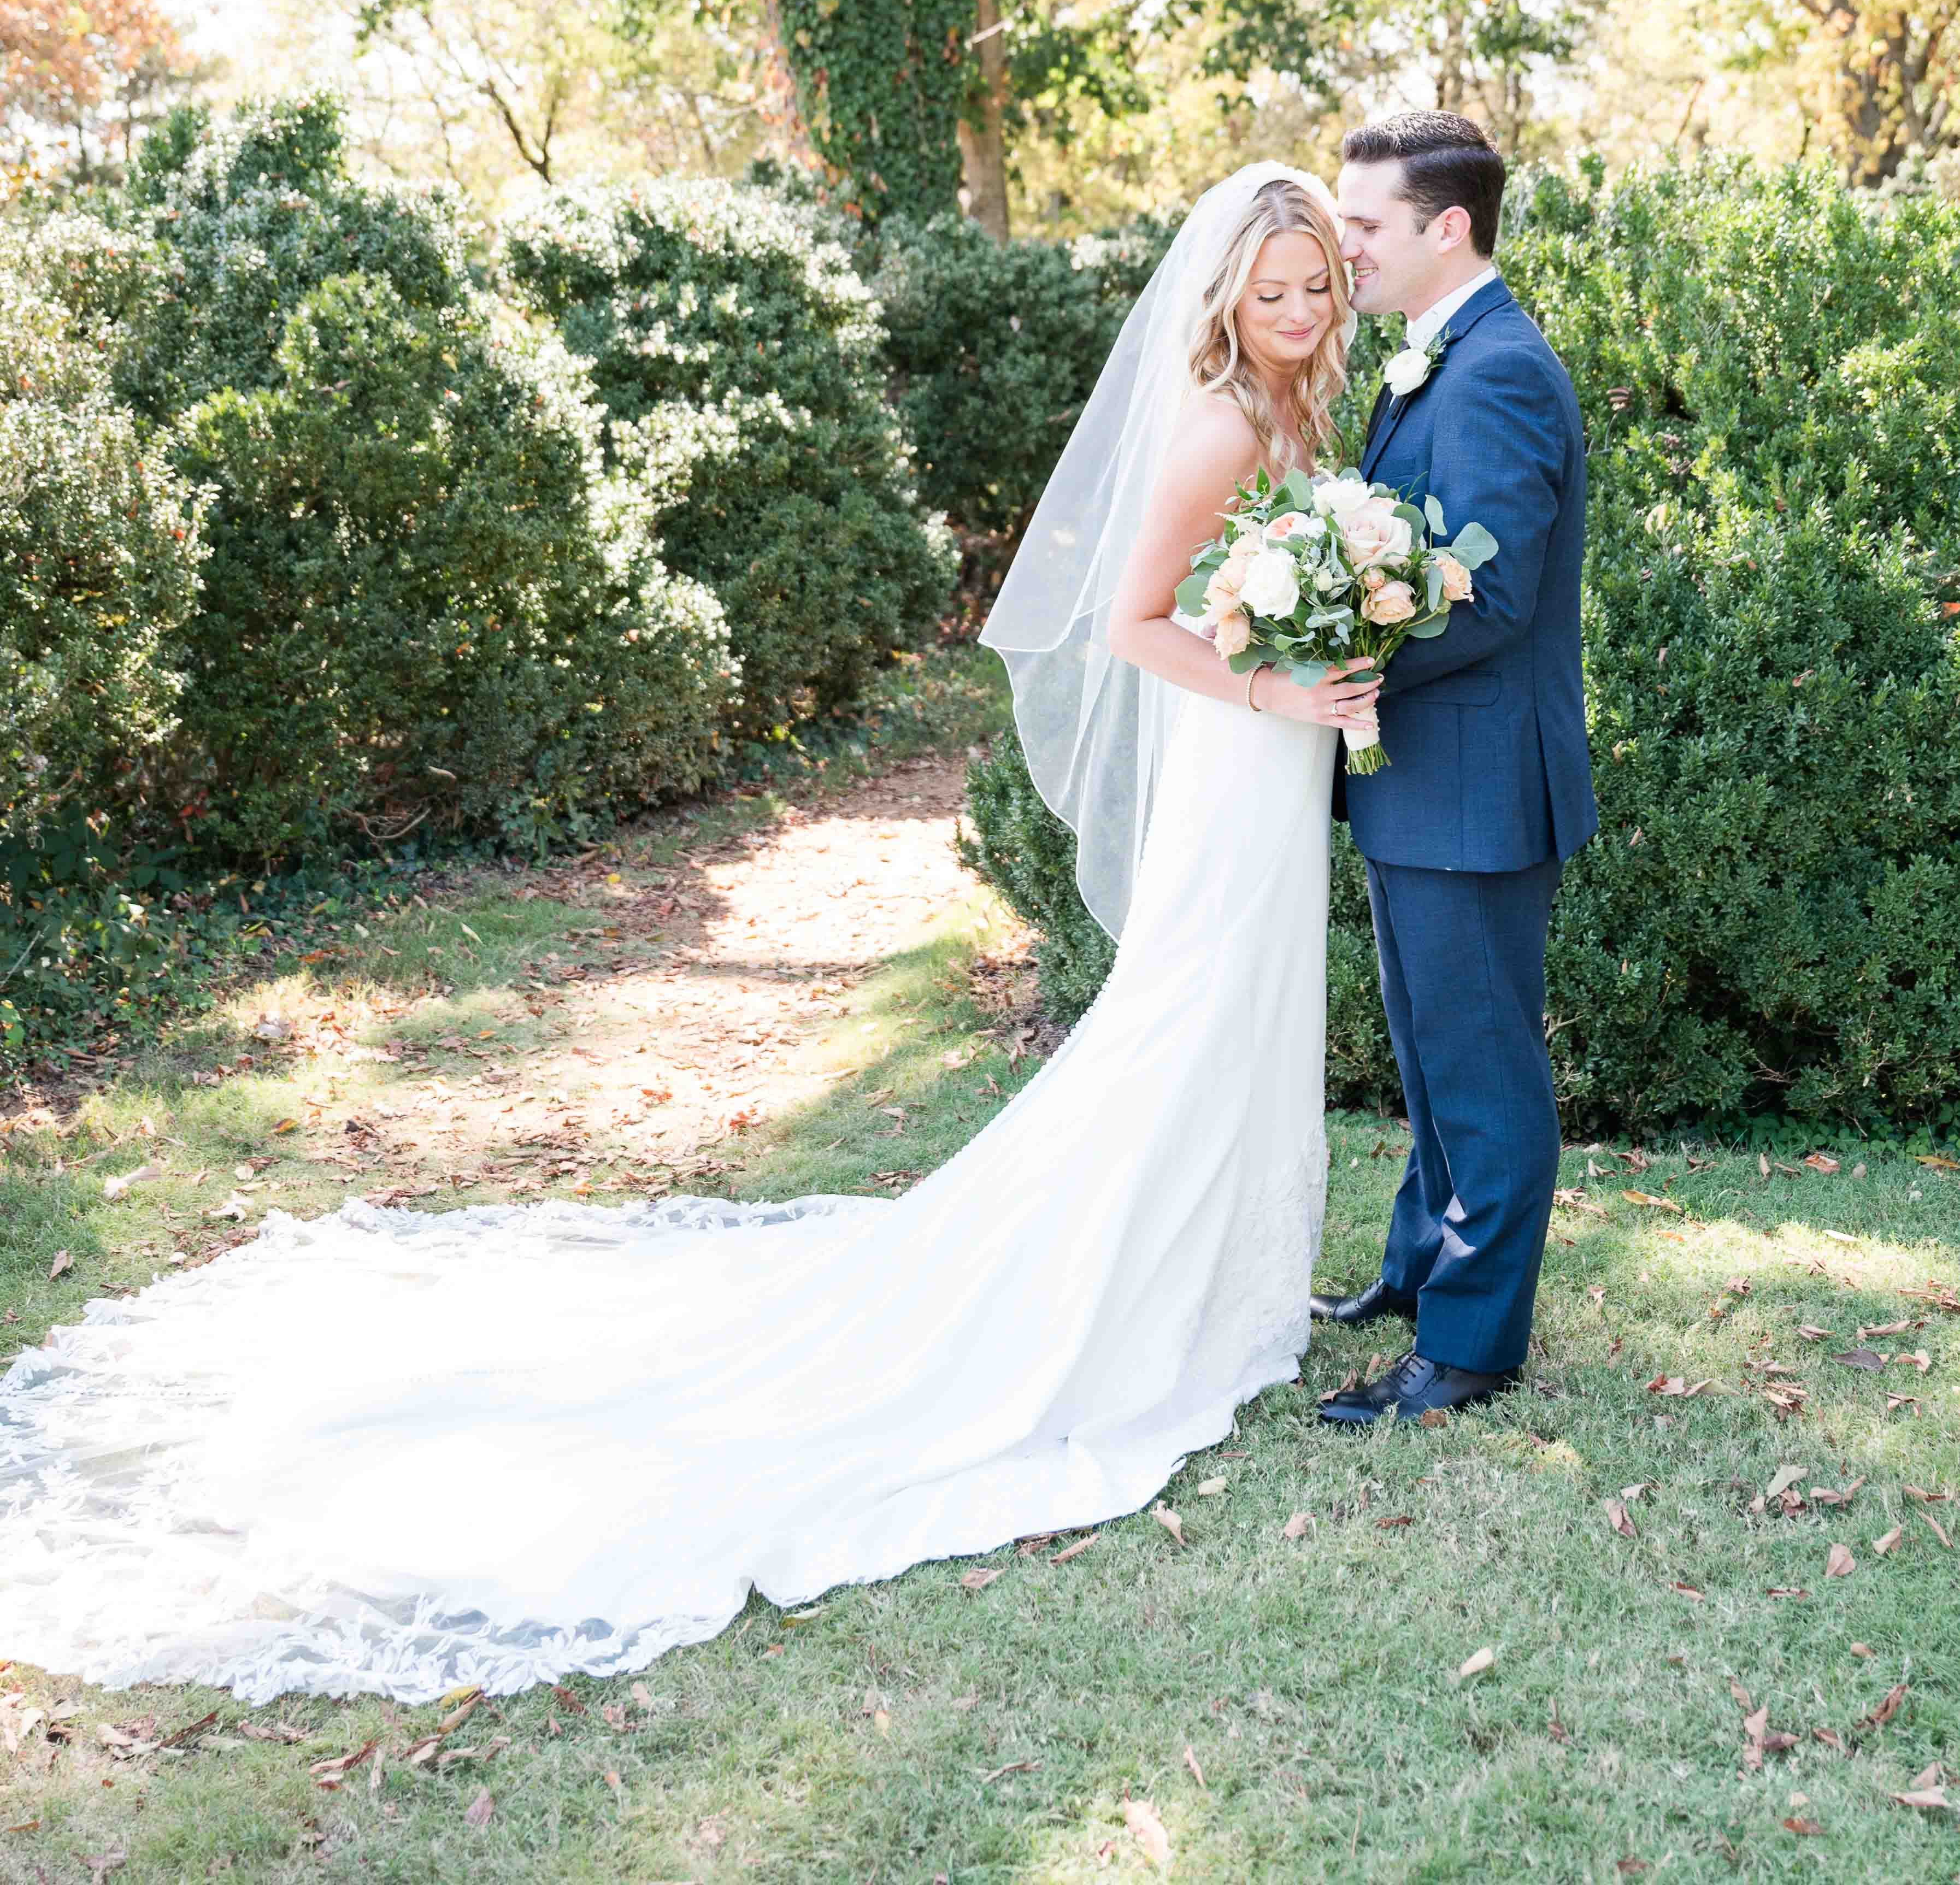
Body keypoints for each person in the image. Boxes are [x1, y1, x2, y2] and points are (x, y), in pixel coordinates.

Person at [0, 162, 1374, 1706]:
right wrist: (1275, 684)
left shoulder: (1298, 410)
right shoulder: (1215, 422)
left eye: (1314, 286)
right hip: (1238, 754)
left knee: (1243, 1010)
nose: (1295, 310)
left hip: (1270, 758)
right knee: (1185, 1015)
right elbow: (1130, 623)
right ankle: (1124, 1296)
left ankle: (1221, 1283)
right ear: (1225, 298)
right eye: (1270, 291)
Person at [1311, 111, 1596, 1426]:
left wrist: (1340, 656)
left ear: (1448, 225)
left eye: (1365, 223)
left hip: (1474, 784)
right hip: (1420, 777)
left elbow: (1489, 596)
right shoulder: (1439, 353)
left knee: (1483, 1072)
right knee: (1432, 1053)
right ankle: (1421, 1268)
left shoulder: (1498, 371)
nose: (1346, 244)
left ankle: (1470, 1345)